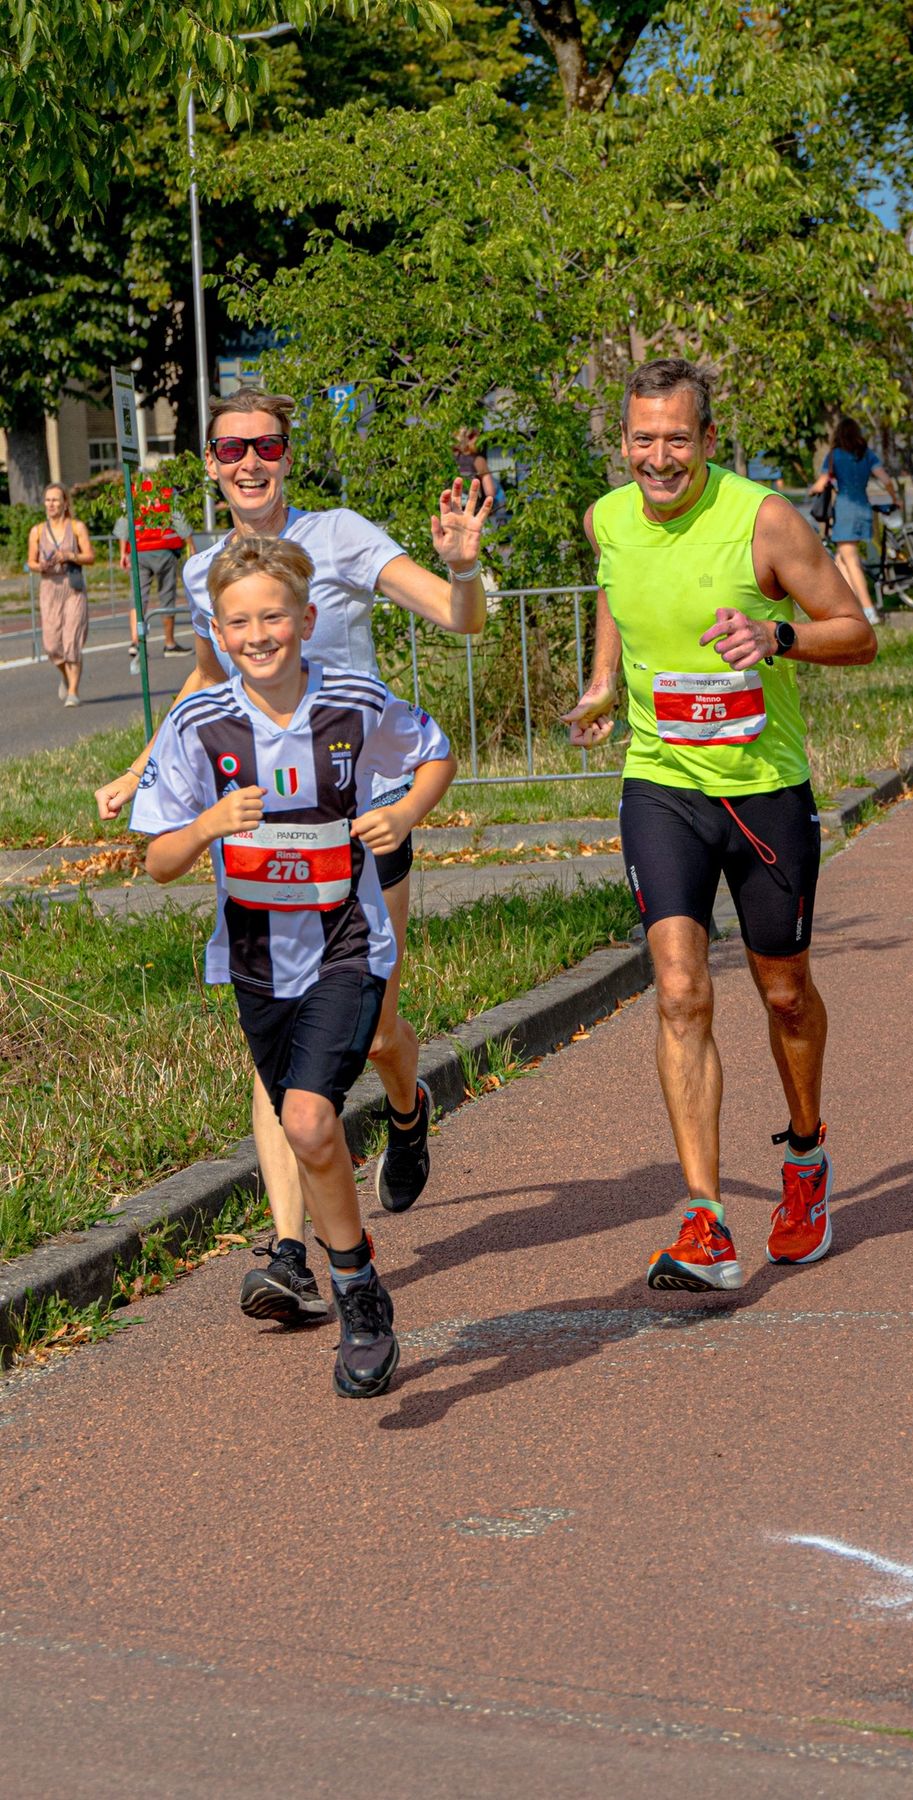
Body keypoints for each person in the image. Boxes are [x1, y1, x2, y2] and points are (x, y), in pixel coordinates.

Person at [96, 387, 490, 1327]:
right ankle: (289, 1254)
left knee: (382, 1028)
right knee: (273, 1051)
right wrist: (141, 770)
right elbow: (208, 681)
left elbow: (459, 618)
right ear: (208, 462)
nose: (248, 462)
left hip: (360, 821)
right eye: (229, 447)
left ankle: (405, 1108)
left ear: (286, 453)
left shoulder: (343, 535)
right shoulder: (207, 570)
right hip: (264, 846)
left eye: (265, 445)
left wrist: (464, 571)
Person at [564, 358, 876, 1293]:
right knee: (678, 989)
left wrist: (777, 636)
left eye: (677, 440)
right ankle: (704, 1219)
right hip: (660, 782)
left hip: (764, 790)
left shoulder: (764, 519)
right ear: (623, 443)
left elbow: (857, 633)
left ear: (707, 441)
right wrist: (605, 680)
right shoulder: (607, 516)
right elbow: (621, 589)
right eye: (642, 439)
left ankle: (806, 1159)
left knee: (784, 993)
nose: (658, 458)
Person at [131, 535, 455, 1396]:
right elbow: (158, 858)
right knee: (306, 1134)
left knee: (310, 1124)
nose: (259, 633)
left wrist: (407, 809)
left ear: (306, 620)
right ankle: (358, 1266)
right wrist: (207, 826)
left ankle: (356, 1299)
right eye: (239, 621)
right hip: (254, 962)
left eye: (275, 615)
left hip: (348, 944)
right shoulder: (199, 723)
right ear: (218, 631)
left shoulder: (351, 703)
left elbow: (434, 750)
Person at [808, 416, 901, 627]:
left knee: (851, 561)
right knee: (841, 560)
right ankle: (851, 609)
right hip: (864, 508)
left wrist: (812, 490)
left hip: (846, 510)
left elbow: (821, 484)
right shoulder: (866, 455)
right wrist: (895, 498)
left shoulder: (834, 456)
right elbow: (886, 480)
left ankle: (869, 612)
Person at [113, 473, 195, 670]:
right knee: (166, 595)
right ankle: (169, 643)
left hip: (139, 549)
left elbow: (124, 523)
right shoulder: (167, 491)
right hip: (165, 548)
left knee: (138, 597)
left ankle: (136, 642)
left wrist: (122, 552)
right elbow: (179, 519)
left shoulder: (132, 491)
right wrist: (190, 544)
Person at [26, 485, 94, 706]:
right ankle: (65, 676)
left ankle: (73, 690)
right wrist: (41, 565)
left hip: (72, 586)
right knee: (52, 645)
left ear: (65, 503)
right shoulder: (37, 531)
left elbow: (89, 556)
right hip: (49, 588)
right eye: (47, 500)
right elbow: (31, 562)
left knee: (71, 640)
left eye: (55, 500)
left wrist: (69, 554)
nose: (51, 505)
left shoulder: (76, 527)